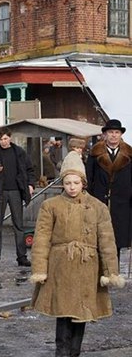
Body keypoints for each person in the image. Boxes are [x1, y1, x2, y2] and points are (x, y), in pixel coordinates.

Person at [30, 150, 125, 357]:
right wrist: (40, 269)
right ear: (62, 183)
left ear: (83, 182)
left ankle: (74, 353)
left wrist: (111, 271)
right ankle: (61, 353)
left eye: (76, 182)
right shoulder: (50, 206)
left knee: (81, 314)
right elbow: (41, 240)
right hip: (61, 268)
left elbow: (107, 241)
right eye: (67, 183)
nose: (72, 187)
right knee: (63, 313)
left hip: (86, 268)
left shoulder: (97, 207)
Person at [0, 127, 35, 267]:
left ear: (10, 138)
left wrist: (30, 184)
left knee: (18, 225)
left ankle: (22, 256)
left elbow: (29, 169)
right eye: (1, 139)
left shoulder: (19, 152)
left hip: (16, 191)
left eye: (6, 139)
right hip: (0, 192)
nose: (4, 142)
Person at [86, 119, 132, 261]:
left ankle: (114, 269)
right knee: (101, 236)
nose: (113, 135)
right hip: (100, 200)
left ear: (120, 135)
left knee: (119, 237)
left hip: (123, 201)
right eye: (110, 132)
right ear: (105, 135)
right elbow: (89, 177)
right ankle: (101, 270)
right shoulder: (94, 154)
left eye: (116, 132)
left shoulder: (129, 154)